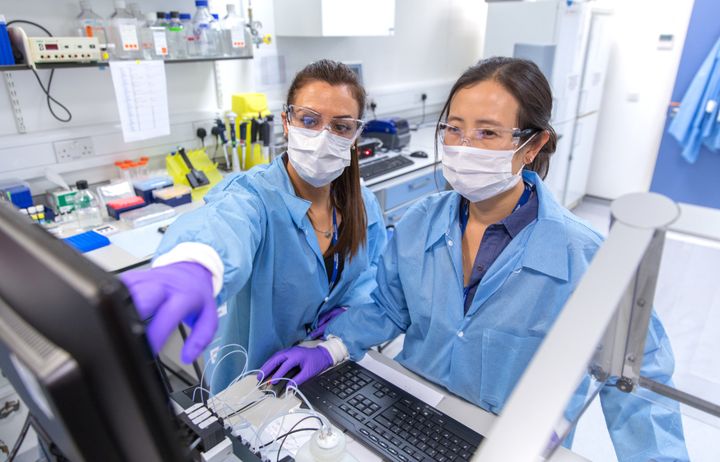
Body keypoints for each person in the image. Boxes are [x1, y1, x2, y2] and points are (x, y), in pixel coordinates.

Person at [260, 57, 689, 461]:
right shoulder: (419, 223)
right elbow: (389, 308)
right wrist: (331, 346)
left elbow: (636, 383)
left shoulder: (588, 260)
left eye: (487, 133)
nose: (463, 147)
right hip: (409, 421)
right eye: (454, 129)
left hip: (507, 445)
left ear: (532, 144)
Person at [121, 59, 387, 391]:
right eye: (309, 120)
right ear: (286, 123)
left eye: (341, 126)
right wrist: (198, 261)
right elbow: (225, 222)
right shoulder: (255, 196)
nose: (323, 137)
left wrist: (347, 317)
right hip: (256, 385)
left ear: (356, 133)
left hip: (333, 368)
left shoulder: (363, 203)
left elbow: (373, 275)